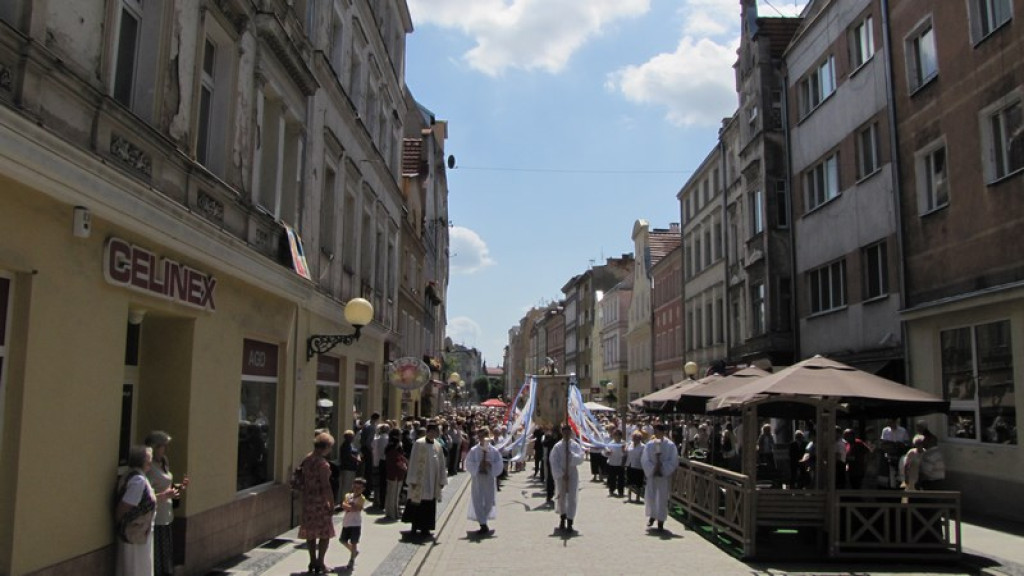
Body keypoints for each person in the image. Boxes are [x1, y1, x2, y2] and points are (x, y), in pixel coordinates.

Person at [116, 445, 176, 576]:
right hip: (134, 532)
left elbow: (145, 500)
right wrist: (124, 525)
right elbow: (125, 506)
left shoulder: (138, 477)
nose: (151, 460)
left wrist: (164, 496)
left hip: (140, 531)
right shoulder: (138, 480)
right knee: (136, 568)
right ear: (142, 461)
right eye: (149, 458)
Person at [144, 431, 188, 576]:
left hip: (167, 514)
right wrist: (164, 495)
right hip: (155, 517)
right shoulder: (148, 468)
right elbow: (145, 494)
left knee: (166, 555)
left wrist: (179, 487)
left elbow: (165, 484)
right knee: (156, 557)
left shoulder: (163, 462)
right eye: (163, 446)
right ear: (154, 447)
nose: (166, 449)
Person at [298, 432, 335, 574]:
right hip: (320, 501)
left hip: (308, 499)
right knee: (324, 533)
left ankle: (312, 561)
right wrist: (331, 503)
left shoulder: (307, 459)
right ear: (325, 447)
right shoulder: (323, 464)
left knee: (311, 533)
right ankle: (321, 563)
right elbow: (326, 485)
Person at [402, 422, 447, 537]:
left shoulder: (438, 445)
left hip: (432, 481)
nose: (435, 434)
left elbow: (442, 463)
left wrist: (442, 480)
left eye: (436, 432)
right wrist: (411, 479)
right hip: (419, 480)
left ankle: (426, 528)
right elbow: (412, 461)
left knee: (429, 504)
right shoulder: (419, 443)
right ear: (429, 431)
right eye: (433, 431)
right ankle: (415, 526)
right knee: (417, 503)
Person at [465, 427, 503, 535]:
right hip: (478, 479)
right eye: (481, 437)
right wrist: (478, 466)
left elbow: (499, 463)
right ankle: (482, 523)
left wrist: (491, 465)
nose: (483, 439)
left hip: (489, 478)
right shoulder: (474, 450)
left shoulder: (494, 451)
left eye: (485, 436)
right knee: (477, 499)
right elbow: (468, 464)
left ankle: (484, 519)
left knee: (489, 500)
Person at [641, 423, 679, 531]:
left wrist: (662, 468)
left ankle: (661, 520)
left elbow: (673, 460)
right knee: (651, 496)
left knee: (662, 497)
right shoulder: (649, 444)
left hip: (663, 475)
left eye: (658, 431)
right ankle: (652, 516)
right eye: (655, 431)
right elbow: (645, 459)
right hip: (652, 474)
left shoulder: (670, 445)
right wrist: (653, 468)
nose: (656, 433)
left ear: (663, 432)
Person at [549, 422, 584, 532]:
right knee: (561, 496)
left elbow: (580, 458)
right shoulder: (557, 446)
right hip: (561, 475)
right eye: (564, 432)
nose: (566, 434)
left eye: (568, 432)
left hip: (572, 472)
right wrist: (560, 473)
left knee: (572, 497)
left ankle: (570, 521)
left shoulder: (574, 445)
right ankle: (562, 518)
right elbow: (553, 461)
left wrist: (572, 456)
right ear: (562, 433)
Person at [339, 477, 367, 570]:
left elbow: (357, 508)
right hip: (346, 522)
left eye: (359, 488)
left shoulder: (362, 498)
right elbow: (343, 505)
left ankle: (351, 560)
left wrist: (349, 507)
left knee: (354, 542)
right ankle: (353, 551)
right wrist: (349, 506)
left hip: (355, 523)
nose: (356, 490)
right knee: (342, 540)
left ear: (363, 489)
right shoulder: (348, 495)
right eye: (355, 487)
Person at [383, 429, 408, 520]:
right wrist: (405, 468)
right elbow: (399, 463)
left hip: (391, 474)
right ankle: (393, 513)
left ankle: (389, 512)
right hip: (396, 475)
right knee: (394, 495)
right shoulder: (394, 452)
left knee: (390, 494)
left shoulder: (389, 451)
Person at [359, 413, 380, 497]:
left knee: (365, 471)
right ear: (377, 419)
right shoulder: (371, 427)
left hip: (363, 449)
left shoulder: (366, 423)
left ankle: (365, 489)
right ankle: (367, 490)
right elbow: (368, 441)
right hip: (367, 450)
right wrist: (371, 450)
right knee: (368, 471)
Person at [337, 430, 360, 505]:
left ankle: (347, 500)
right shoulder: (345, 445)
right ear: (347, 437)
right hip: (347, 468)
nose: (352, 438)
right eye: (351, 437)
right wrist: (357, 459)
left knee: (350, 485)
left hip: (352, 468)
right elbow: (348, 456)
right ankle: (344, 501)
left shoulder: (351, 444)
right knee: (346, 485)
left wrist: (358, 457)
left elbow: (356, 452)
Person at [603, 429, 627, 497]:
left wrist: (624, 451)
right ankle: (611, 490)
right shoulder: (610, 443)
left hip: (620, 464)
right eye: (615, 435)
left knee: (621, 479)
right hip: (612, 463)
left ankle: (620, 492)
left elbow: (626, 454)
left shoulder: (623, 443)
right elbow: (605, 453)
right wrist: (607, 453)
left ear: (620, 436)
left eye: (618, 435)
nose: (616, 436)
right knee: (612, 478)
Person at [625, 430, 646, 501]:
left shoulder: (643, 446)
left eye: (637, 438)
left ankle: (638, 498)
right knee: (630, 482)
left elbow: (644, 457)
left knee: (638, 483)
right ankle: (629, 497)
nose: (635, 439)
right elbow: (626, 452)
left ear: (640, 439)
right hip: (630, 465)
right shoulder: (630, 444)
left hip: (639, 466)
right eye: (634, 438)